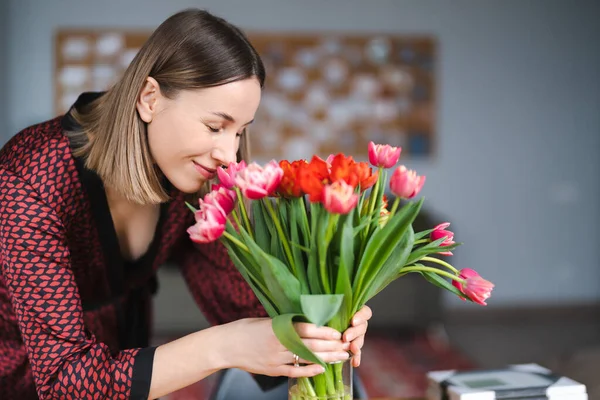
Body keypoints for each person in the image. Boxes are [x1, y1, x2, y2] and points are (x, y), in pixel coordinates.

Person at [0, 8, 372, 400]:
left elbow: (240, 306)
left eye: (240, 131)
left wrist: (327, 323)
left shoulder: (191, 179)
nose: (230, 154)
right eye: (215, 126)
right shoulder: (28, 181)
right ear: (149, 98)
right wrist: (223, 346)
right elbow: (63, 383)